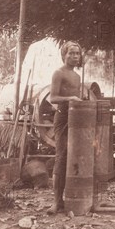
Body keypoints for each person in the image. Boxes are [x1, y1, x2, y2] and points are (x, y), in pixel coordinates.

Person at [47, 41, 83, 215]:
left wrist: (79, 101)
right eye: (71, 53)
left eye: (77, 53)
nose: (75, 56)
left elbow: (77, 98)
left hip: (76, 118)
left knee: (75, 155)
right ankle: (56, 202)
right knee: (61, 156)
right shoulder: (58, 73)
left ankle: (73, 197)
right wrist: (71, 99)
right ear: (64, 55)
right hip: (62, 118)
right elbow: (53, 98)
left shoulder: (77, 77)